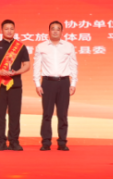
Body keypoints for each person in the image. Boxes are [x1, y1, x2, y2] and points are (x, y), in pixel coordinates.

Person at [0, 20, 31, 151]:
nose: (9, 31)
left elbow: (27, 65)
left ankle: (14, 141)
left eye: (11, 29)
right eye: (6, 29)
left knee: (15, 114)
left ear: (14, 30)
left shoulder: (21, 47)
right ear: (2, 30)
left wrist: (17, 72)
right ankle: (1, 141)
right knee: (0, 114)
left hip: (15, 85)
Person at [32, 20, 78, 151]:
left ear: (62, 31)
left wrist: (73, 83)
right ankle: (46, 142)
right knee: (47, 114)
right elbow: (36, 65)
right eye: (53, 28)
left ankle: (62, 142)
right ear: (49, 31)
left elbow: (73, 64)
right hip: (47, 83)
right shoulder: (41, 46)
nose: (55, 31)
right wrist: (37, 84)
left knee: (62, 114)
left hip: (64, 82)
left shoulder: (69, 46)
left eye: (58, 29)